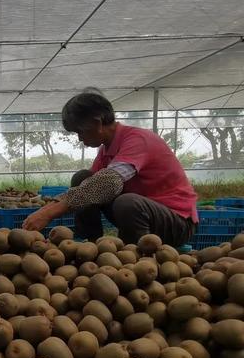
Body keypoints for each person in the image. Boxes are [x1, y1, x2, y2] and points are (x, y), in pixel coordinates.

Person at [23, 91, 198, 246]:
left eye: (80, 131)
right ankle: (86, 244)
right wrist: (50, 206)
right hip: (142, 216)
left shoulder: (138, 139)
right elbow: (90, 187)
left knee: (126, 202)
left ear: (97, 123)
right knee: (83, 178)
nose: (79, 139)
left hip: (177, 222)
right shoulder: (107, 148)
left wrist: (50, 212)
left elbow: (108, 183)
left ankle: (135, 257)